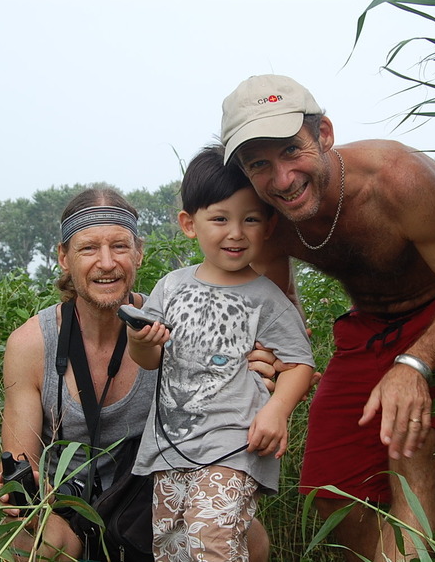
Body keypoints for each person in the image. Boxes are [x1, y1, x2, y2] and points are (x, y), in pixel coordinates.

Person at [220, 74, 435, 561]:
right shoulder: (269, 219)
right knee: (327, 490)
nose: (283, 179)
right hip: (365, 334)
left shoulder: (398, 181)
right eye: (260, 165)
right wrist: (283, 358)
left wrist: (415, 366)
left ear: (325, 134)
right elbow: (278, 301)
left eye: (292, 151)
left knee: (409, 439)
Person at [0, 187, 274, 561]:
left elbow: (238, 401)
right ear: (64, 257)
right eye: (89, 248)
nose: (107, 263)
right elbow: (20, 458)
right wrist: (28, 494)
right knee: (26, 543)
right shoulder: (32, 345)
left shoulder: (179, 326)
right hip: (68, 507)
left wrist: (265, 379)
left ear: (139, 253)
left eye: (120, 247)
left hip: (153, 500)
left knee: (252, 540)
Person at [126, 145, 315, 561]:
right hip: (168, 448)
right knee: (174, 547)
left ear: (268, 226)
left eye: (250, 219)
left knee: (211, 537)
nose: (235, 232)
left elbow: (301, 362)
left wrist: (277, 410)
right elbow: (149, 359)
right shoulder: (170, 287)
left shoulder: (267, 299)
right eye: (220, 219)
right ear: (189, 224)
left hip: (235, 449)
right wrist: (140, 343)